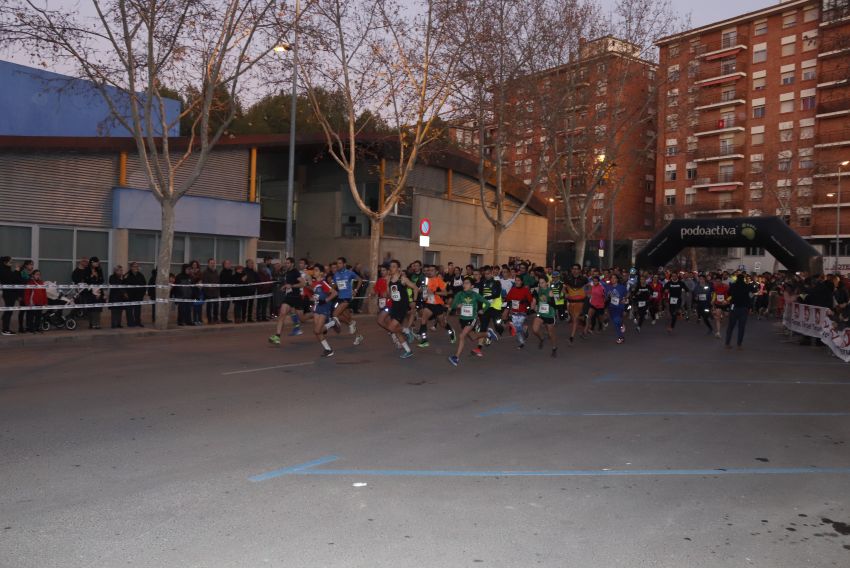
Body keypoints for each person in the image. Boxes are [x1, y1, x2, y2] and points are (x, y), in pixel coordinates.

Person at [448, 277, 489, 366]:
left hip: (472, 318)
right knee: (473, 337)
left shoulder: (475, 295)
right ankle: (487, 334)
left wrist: (483, 310)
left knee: (462, 335)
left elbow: (487, 302)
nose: (464, 285)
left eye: (467, 283)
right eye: (464, 283)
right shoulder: (460, 294)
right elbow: (453, 305)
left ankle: (456, 357)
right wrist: (458, 305)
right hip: (463, 319)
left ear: (472, 286)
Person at [309, 263, 338, 358]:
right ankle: (328, 349)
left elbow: (334, 293)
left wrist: (325, 300)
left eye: (316, 270)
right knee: (317, 331)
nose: (314, 272)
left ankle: (332, 323)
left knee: (317, 330)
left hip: (324, 307)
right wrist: (313, 298)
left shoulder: (323, 283)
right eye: (314, 270)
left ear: (321, 273)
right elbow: (316, 295)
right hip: (317, 307)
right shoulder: (314, 283)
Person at [531, 274, 558, 356]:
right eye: (539, 283)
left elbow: (557, 304)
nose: (541, 284)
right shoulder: (538, 290)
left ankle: (554, 347)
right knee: (535, 330)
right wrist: (533, 304)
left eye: (542, 283)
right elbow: (535, 298)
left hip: (549, 315)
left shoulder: (552, 290)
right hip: (540, 313)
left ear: (547, 282)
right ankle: (542, 338)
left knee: (551, 334)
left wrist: (551, 299)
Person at [725, 274, 753, 350]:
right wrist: (750, 308)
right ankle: (739, 345)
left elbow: (729, 294)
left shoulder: (732, 285)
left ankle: (727, 343)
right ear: (743, 279)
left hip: (733, 307)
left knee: (730, 327)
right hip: (743, 308)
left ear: (737, 278)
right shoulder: (748, 286)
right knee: (741, 327)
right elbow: (750, 297)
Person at [505, 274, 533, 349]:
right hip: (514, 312)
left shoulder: (525, 290)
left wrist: (525, 301)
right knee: (517, 329)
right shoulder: (513, 289)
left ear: (521, 282)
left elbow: (530, 300)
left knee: (517, 327)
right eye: (516, 280)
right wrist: (506, 300)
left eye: (518, 280)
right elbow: (507, 298)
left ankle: (523, 331)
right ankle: (522, 342)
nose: (517, 282)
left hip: (522, 312)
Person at [1, 256, 24, 335]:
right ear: (5, 262)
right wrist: (17, 271)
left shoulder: (7, 270)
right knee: (8, 311)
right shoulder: (3, 270)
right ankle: (5, 329)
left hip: (12, 293)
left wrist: (18, 270)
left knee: (9, 311)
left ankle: (5, 328)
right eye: (10, 262)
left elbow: (16, 279)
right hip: (8, 293)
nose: (12, 263)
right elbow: (11, 279)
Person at [80, 257, 105, 329]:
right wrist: (91, 276)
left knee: (98, 308)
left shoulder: (99, 269)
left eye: (98, 262)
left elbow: (102, 280)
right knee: (92, 308)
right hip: (90, 291)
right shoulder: (86, 270)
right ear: (92, 262)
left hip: (98, 290)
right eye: (96, 262)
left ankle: (97, 324)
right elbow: (85, 280)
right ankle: (92, 324)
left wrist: (97, 276)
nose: (98, 264)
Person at [605, 274, 628, 344]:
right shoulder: (608, 287)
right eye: (611, 278)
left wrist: (625, 298)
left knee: (616, 320)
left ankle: (620, 337)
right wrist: (608, 296)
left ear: (617, 279)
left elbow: (627, 293)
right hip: (611, 307)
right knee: (616, 322)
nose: (613, 279)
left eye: (614, 278)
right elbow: (606, 298)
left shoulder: (622, 287)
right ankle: (621, 324)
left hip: (620, 306)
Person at [23, 268, 47, 333]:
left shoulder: (41, 282)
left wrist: (45, 301)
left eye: (39, 275)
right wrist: (27, 302)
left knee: (38, 316)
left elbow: (44, 292)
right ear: (33, 275)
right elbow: (27, 294)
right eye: (36, 274)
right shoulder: (30, 283)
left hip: (40, 302)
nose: (38, 276)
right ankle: (30, 328)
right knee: (31, 316)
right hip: (32, 302)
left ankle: (37, 327)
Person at [124, 262, 147, 327]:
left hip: (138, 296)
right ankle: (130, 323)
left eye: (137, 266)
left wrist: (143, 293)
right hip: (129, 296)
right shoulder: (127, 275)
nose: (136, 268)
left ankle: (138, 322)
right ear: (131, 267)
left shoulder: (141, 275)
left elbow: (144, 284)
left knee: (137, 310)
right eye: (134, 266)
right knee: (129, 310)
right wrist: (125, 293)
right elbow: (123, 284)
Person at [201, 258, 220, 324]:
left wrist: (217, 289)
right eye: (211, 263)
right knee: (209, 307)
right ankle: (209, 320)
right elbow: (205, 282)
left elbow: (218, 281)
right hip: (208, 292)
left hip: (216, 292)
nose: (213, 264)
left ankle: (216, 319)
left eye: (214, 263)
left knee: (216, 306)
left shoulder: (216, 271)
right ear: (208, 264)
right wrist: (210, 288)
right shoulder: (205, 272)